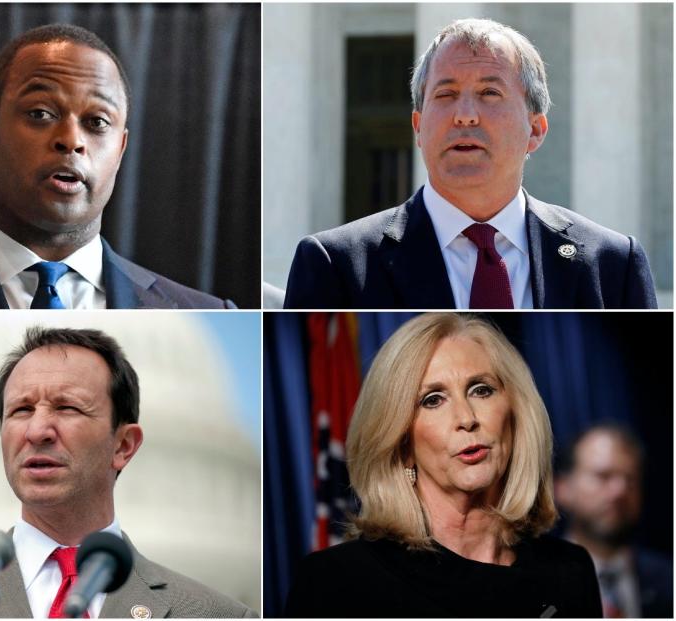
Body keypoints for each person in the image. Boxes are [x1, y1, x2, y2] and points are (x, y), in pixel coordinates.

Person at [0, 327, 256, 617]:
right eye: (21, 410)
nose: (37, 432)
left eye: (68, 408)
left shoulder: (213, 613)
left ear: (123, 445)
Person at [0, 24, 235, 309]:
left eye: (96, 122)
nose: (71, 140)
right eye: (40, 113)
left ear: (120, 148)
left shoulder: (208, 313)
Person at [283, 18, 657, 309]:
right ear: (418, 126)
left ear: (536, 129)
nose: (464, 116)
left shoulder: (612, 264)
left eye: (489, 93)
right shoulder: (335, 265)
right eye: (445, 94)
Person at [285, 313, 601, 617]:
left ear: (516, 415)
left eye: (482, 390)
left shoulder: (570, 571)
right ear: (401, 442)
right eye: (433, 399)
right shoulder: (335, 581)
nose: (466, 419)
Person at [555, 424, 673, 617]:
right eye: (603, 476)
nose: (620, 491)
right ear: (562, 489)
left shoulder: (670, 580)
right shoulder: (533, 581)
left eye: (631, 479)